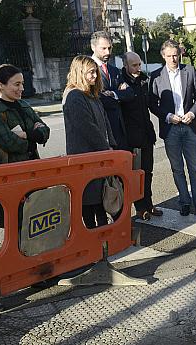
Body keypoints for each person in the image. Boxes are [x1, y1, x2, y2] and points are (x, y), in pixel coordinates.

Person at [0, 64, 50, 227]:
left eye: (22, 83)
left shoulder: (23, 105)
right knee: (17, 221)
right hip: (11, 173)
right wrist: (34, 137)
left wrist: (27, 135)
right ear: (1, 86)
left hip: (33, 168)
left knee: (37, 219)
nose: (22, 88)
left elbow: (45, 130)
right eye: (17, 84)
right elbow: (10, 143)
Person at [149, 39, 196, 217]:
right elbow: (152, 103)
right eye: (169, 56)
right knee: (177, 169)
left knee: (195, 169)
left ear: (180, 54)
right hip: (171, 129)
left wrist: (192, 113)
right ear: (163, 56)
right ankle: (184, 202)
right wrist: (168, 116)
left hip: (189, 126)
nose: (173, 59)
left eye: (175, 55)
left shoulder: (189, 71)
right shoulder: (156, 76)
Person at [63, 55, 116, 229]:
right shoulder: (74, 96)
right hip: (84, 157)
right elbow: (86, 127)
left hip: (96, 156)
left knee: (100, 200)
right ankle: (94, 239)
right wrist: (105, 148)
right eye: (90, 72)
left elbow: (105, 123)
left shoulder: (91, 94)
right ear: (80, 73)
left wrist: (111, 144)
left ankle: (102, 238)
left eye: (95, 72)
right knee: (88, 202)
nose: (95, 76)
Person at [120, 51, 162, 220]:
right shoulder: (120, 81)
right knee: (136, 175)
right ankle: (140, 207)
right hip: (132, 138)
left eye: (139, 64)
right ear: (126, 65)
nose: (138, 68)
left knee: (148, 172)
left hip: (147, 135)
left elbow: (151, 104)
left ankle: (149, 203)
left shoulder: (144, 79)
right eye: (134, 65)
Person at [90, 30, 132, 150]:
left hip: (119, 130)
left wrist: (113, 93)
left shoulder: (114, 70)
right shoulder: (88, 70)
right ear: (93, 47)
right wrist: (119, 95)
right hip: (102, 131)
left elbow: (130, 94)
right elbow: (98, 98)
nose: (107, 52)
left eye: (109, 48)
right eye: (103, 48)